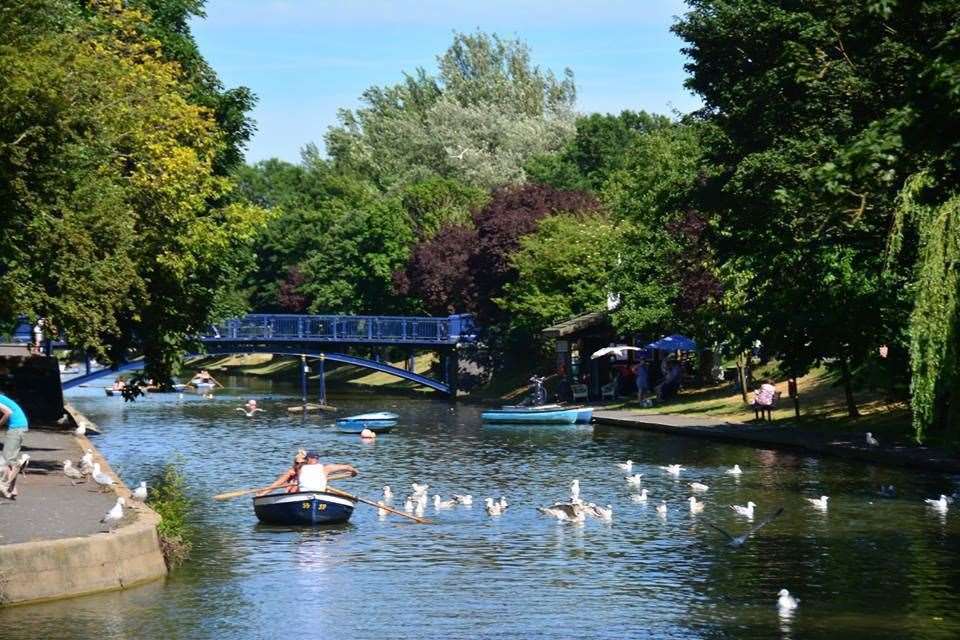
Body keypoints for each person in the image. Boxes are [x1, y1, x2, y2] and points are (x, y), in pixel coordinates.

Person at [0, 393, 29, 499]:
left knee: (8, 460)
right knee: (9, 460)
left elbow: (8, 412)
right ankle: (12, 489)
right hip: (18, 426)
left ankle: (6, 487)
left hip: (17, 428)